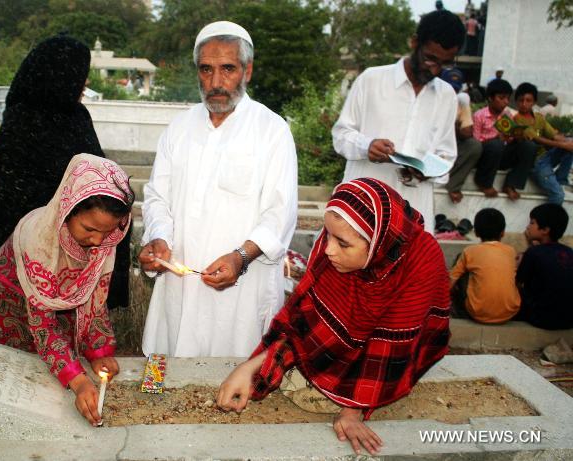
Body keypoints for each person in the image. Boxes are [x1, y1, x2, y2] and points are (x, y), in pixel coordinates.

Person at [217, 178, 451, 455]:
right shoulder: (333, 250)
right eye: (326, 234)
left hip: (401, 345)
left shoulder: (420, 262)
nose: (328, 250)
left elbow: (390, 347)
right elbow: (303, 321)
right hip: (352, 337)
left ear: (378, 243)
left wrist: (353, 410)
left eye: (342, 243)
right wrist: (250, 367)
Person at [139, 21, 298, 357]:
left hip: (240, 288)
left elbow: (280, 214)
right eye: (206, 69)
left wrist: (241, 257)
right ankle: (154, 405)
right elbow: (157, 196)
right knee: (161, 363)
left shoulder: (272, 130)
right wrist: (159, 239)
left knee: (227, 380)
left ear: (247, 71)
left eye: (227, 69)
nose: (215, 83)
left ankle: (213, 410)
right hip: (178, 281)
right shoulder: (179, 128)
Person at [0, 154, 134, 426]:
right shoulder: (38, 242)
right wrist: (79, 380)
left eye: (106, 232)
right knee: (15, 384)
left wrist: (98, 351)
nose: (98, 241)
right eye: (89, 229)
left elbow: (95, 300)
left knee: (53, 381)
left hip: (50, 309)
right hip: (10, 303)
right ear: (68, 209)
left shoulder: (102, 240)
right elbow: (44, 325)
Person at [0, 35, 131, 309]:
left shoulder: (76, 117)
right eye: (81, 75)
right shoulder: (23, 121)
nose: (85, 83)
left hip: (78, 250)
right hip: (31, 252)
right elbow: (15, 199)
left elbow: (98, 177)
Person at [332, 10, 465, 233]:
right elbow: (341, 135)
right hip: (363, 206)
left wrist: (428, 170)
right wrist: (368, 146)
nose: (435, 70)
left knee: (410, 267)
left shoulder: (446, 95)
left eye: (445, 64)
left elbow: (447, 154)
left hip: (413, 211)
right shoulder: (371, 80)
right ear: (414, 42)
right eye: (430, 58)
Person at [450, 208, 520, 323]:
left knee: (461, 264)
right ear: (502, 233)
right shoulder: (511, 251)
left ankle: (458, 312)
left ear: (476, 232)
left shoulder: (470, 251)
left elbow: (450, 282)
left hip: (477, 313)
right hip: (510, 313)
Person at [472, 78, 537, 200]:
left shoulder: (506, 115)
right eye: (501, 98)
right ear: (491, 98)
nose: (506, 102)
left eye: (508, 98)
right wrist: (496, 138)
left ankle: (511, 184)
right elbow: (475, 144)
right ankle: (484, 183)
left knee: (529, 146)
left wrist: (516, 137)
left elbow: (510, 138)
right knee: (496, 145)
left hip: (501, 155)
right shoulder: (479, 115)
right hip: (485, 157)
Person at [512, 82, 573, 204]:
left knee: (571, 143)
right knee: (558, 196)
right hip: (535, 163)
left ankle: (561, 179)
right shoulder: (516, 120)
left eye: (528, 101)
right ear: (516, 101)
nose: (524, 104)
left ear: (534, 102)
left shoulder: (538, 117)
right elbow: (536, 139)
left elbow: (554, 135)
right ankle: (548, 221)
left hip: (546, 157)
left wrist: (567, 141)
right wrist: (564, 145)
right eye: (521, 100)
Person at [516, 204, 573, 330]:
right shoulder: (569, 252)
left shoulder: (533, 253)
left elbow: (518, 283)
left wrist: (520, 264)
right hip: (569, 321)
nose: (527, 227)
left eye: (532, 223)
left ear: (545, 230)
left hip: (542, 319)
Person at [440, 68, 482, 203]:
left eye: (455, 89)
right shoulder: (434, 99)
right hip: (432, 143)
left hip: (452, 141)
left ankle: (453, 184)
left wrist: (454, 122)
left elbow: (467, 133)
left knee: (474, 145)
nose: (453, 92)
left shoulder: (461, 102)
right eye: (450, 88)